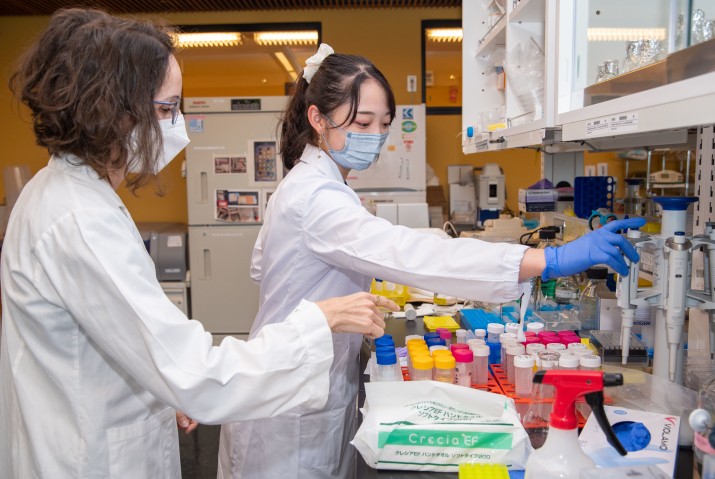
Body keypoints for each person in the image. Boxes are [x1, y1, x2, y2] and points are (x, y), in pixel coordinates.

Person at [217, 43, 645, 478]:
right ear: (317, 119)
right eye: (363, 122)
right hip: (292, 405)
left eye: (383, 125)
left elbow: (266, 268)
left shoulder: (310, 184)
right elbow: (404, 251)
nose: (375, 135)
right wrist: (545, 260)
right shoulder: (315, 196)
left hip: (312, 382)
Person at [0, 11, 397, 478]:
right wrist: (317, 321)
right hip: (90, 457)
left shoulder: (70, 194)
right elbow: (194, 370)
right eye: (167, 109)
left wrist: (160, 388)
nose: (179, 125)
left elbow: (120, 337)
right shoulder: (79, 219)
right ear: (112, 109)